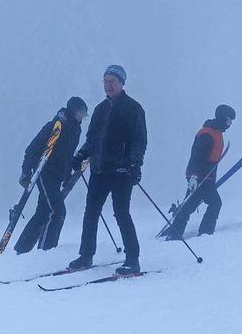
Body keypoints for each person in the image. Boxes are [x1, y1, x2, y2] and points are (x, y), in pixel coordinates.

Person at [68, 65, 147, 275]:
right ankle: (86, 255)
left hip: (121, 171)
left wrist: (134, 164)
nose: (108, 85)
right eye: (105, 81)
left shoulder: (133, 108)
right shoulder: (100, 109)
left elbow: (139, 140)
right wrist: (81, 155)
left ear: (122, 83)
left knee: (121, 213)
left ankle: (132, 259)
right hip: (100, 170)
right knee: (91, 213)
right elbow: (92, 140)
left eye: (112, 81)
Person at [13, 97, 88, 254]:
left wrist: (67, 175)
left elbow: (67, 155)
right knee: (57, 212)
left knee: (43, 212)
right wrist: (26, 171)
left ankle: (21, 250)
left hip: (56, 176)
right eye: (81, 113)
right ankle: (46, 251)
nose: (82, 117)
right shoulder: (56, 125)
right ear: (74, 111)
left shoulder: (75, 129)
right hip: (45, 173)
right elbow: (32, 149)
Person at [165, 105, 236, 240]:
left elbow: (212, 159)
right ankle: (202, 233)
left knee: (192, 205)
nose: (230, 124)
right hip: (199, 177)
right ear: (222, 118)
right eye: (228, 120)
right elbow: (197, 157)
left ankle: (177, 232)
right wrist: (193, 177)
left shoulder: (217, 133)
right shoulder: (207, 134)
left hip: (207, 177)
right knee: (212, 203)